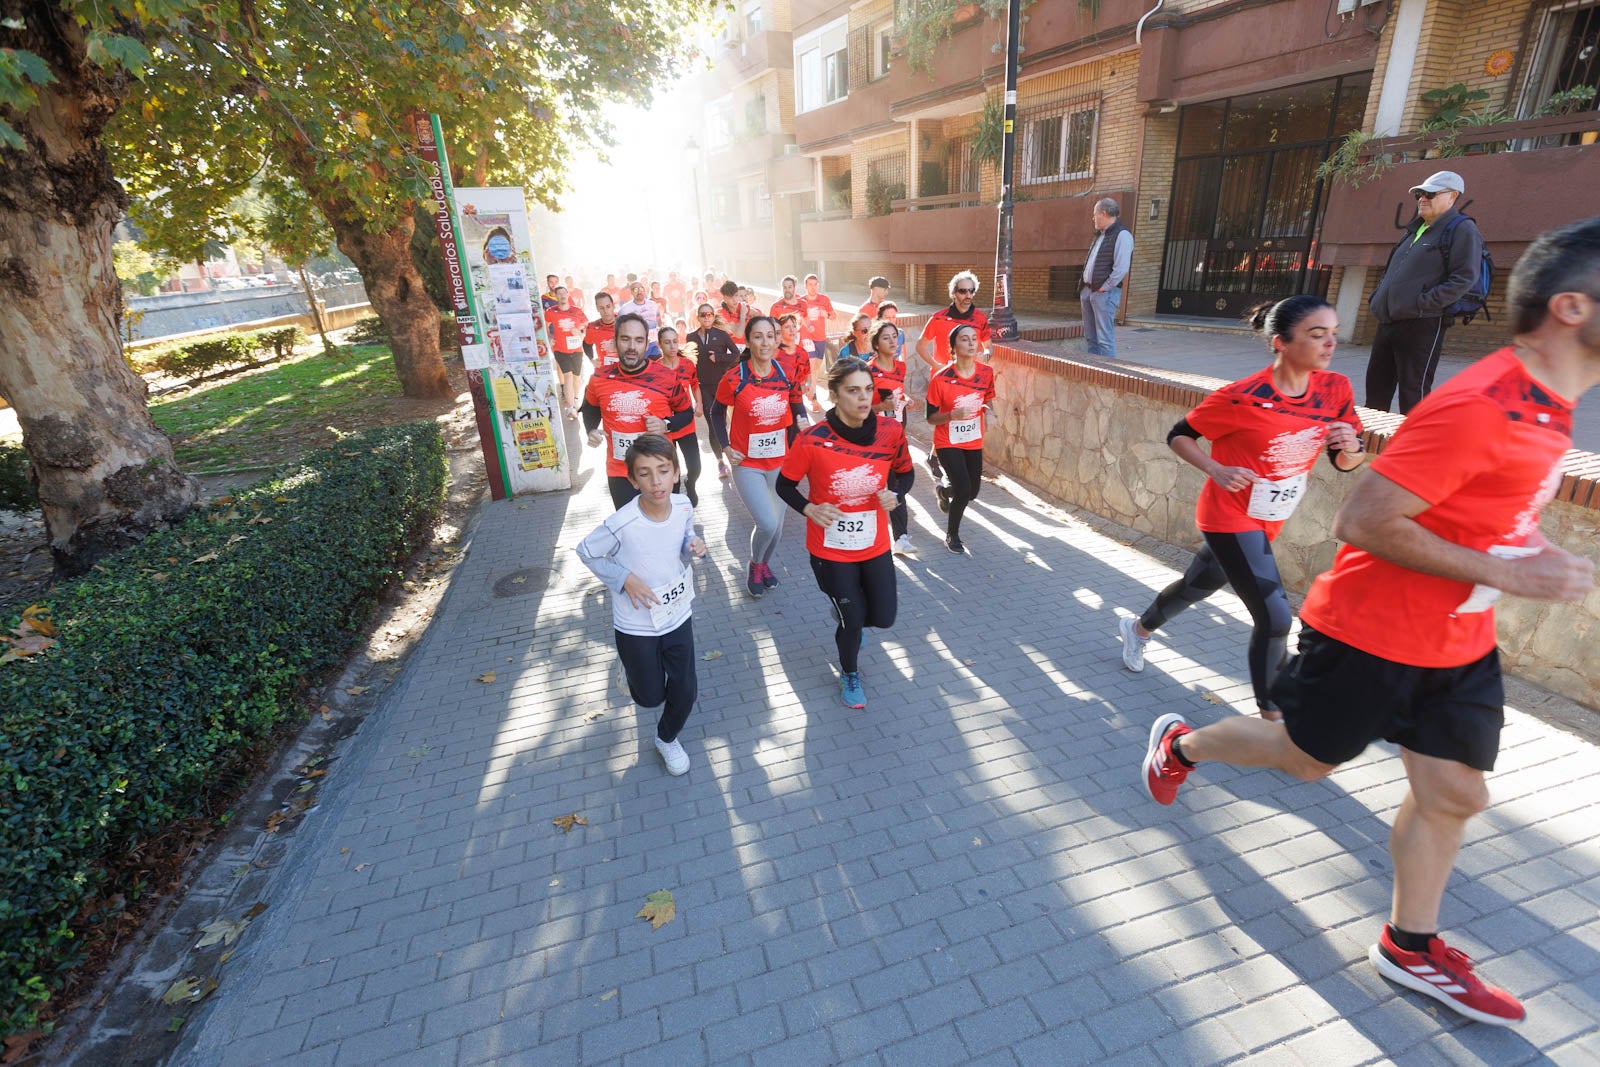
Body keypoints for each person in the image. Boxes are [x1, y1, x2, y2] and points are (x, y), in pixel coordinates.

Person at [1141, 217, 1600, 1028]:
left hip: (1459, 638)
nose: (1328, 344)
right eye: (1313, 333)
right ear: (1570, 305)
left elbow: (1471, 506)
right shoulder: (1482, 403)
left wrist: (1528, 549)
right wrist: (1511, 570)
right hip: (1370, 630)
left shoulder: (1552, 408)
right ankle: (1180, 745)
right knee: (1304, 760)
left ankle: (1409, 945)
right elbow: (1366, 518)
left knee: (1455, 791)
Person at [1117, 296, 1367, 719]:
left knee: (1197, 585)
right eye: (1316, 334)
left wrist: (1352, 447)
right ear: (1280, 343)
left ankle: (1136, 629)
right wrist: (1215, 468)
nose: (1330, 343)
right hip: (1227, 514)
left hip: (1270, 516)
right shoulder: (1242, 396)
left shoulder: (1335, 389)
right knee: (1274, 617)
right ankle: (1275, 718)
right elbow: (1180, 435)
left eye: (1333, 333)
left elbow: (1346, 462)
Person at [778, 358, 914, 709]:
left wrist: (896, 494)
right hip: (830, 549)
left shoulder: (890, 432)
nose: (863, 398)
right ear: (835, 395)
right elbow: (784, 485)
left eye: (868, 389)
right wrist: (809, 508)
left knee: (884, 617)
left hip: (873, 543)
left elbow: (906, 473)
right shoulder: (811, 440)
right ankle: (849, 672)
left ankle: (846, 617)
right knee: (852, 620)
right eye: (853, 391)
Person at [576, 433, 707, 776]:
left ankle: (667, 738)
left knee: (685, 688)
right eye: (645, 473)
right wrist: (623, 578)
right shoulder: (623, 523)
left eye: (663, 471)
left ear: (676, 473)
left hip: (677, 613)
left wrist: (692, 544)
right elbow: (586, 552)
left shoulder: (682, 505)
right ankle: (630, 668)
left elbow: (683, 537)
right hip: (636, 624)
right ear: (632, 480)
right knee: (649, 697)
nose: (656, 481)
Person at [1366, 170, 1486, 414]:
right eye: (1420, 194)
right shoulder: (1414, 230)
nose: (1422, 198)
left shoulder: (1461, 229)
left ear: (1452, 196)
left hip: (1422, 323)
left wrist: (1422, 303)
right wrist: (1378, 298)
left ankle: (1414, 449)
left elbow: (1464, 277)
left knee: (1414, 395)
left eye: (1431, 194)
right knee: (1376, 393)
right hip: (1388, 320)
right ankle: (1370, 448)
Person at [711, 316, 806, 598]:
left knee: (776, 528)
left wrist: (803, 424)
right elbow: (716, 412)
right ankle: (754, 564)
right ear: (748, 341)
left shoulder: (787, 372)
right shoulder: (735, 377)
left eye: (770, 336)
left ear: (777, 339)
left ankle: (764, 565)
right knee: (766, 522)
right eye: (758, 336)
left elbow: (797, 408)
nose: (765, 342)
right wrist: (726, 446)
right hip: (747, 464)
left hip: (781, 462)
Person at [582, 314, 694, 509]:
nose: (632, 347)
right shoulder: (599, 378)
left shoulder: (666, 377)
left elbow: (686, 413)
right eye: (625, 339)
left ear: (646, 344)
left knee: (664, 530)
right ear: (615, 341)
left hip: (660, 470)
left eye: (639, 340)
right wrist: (590, 430)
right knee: (632, 532)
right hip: (621, 471)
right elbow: (590, 408)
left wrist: (665, 425)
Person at [925, 323, 996, 554]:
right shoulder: (941, 378)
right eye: (965, 339)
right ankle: (952, 535)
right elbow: (931, 418)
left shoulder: (986, 373)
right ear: (953, 346)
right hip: (948, 441)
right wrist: (951, 415)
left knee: (972, 492)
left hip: (973, 439)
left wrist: (990, 410)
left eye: (974, 338)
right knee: (964, 489)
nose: (972, 343)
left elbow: (988, 397)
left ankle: (944, 492)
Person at [916, 272, 991, 491]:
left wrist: (985, 353)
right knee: (945, 422)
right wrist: (938, 366)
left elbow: (988, 345)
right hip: (943, 381)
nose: (967, 295)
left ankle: (939, 462)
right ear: (953, 293)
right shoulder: (939, 317)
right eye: (962, 291)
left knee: (959, 425)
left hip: (969, 380)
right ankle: (952, 476)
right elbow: (920, 346)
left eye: (971, 291)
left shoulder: (980, 318)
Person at [867, 320, 914, 555]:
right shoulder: (867, 371)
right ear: (876, 343)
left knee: (896, 485)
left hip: (895, 434)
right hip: (872, 438)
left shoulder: (901, 367)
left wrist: (904, 399)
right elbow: (860, 407)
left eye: (894, 336)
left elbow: (897, 393)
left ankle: (901, 537)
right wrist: (879, 406)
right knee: (872, 488)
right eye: (886, 337)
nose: (892, 341)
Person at [686, 302, 741, 479]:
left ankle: (730, 450)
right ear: (698, 318)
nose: (707, 317)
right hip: (703, 387)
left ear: (713, 316)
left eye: (709, 314)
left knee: (723, 422)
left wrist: (719, 357)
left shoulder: (722, 335)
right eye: (703, 315)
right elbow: (689, 365)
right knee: (712, 424)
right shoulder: (691, 337)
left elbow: (736, 355)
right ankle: (720, 462)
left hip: (721, 386)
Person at [1080, 197, 1133, 359]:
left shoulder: (1122, 235)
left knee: (1104, 340)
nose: (1093, 218)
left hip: (1104, 293)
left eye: (1094, 214)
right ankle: (1094, 370)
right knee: (1091, 338)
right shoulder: (1100, 235)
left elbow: (1121, 268)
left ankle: (1109, 373)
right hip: (1088, 291)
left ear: (1103, 213)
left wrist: (1104, 287)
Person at [655, 326, 703, 506]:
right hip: (666, 426)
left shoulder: (687, 365)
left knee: (695, 467)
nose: (672, 346)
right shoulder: (655, 368)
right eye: (667, 342)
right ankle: (674, 503)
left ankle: (690, 483)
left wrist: (699, 404)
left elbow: (695, 384)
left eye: (675, 341)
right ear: (660, 345)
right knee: (670, 469)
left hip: (686, 423)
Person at [545, 285, 588, 418]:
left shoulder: (577, 311)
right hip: (560, 349)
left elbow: (586, 326)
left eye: (565, 293)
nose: (563, 296)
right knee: (568, 376)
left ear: (568, 294)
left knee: (576, 378)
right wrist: (549, 338)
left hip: (576, 349)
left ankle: (574, 399)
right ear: (556, 296)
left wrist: (580, 334)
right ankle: (570, 408)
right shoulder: (551, 311)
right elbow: (545, 325)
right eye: (560, 294)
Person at [774, 313, 814, 425]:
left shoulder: (802, 352)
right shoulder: (775, 354)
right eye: (787, 327)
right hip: (778, 402)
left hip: (797, 400)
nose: (792, 330)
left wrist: (809, 385)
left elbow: (807, 374)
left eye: (794, 326)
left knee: (803, 431)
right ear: (779, 331)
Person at [801, 273, 836, 400]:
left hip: (820, 338)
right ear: (805, 286)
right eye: (810, 284)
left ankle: (809, 388)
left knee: (815, 368)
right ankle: (813, 394)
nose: (813, 287)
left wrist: (824, 314)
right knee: (811, 364)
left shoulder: (824, 299)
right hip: (806, 338)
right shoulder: (801, 300)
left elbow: (834, 316)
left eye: (815, 284)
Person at [619, 280, 663, 353]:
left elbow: (659, 322)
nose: (639, 291)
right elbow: (619, 327)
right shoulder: (625, 308)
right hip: (637, 347)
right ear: (632, 292)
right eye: (635, 289)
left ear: (645, 290)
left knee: (656, 363)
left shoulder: (653, 304)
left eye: (641, 289)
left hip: (653, 345)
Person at [584, 291, 620, 371]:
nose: (606, 311)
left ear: (613, 306)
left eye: (608, 306)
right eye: (602, 308)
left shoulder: (625, 322)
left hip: (624, 370)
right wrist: (592, 360)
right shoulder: (592, 327)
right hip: (604, 371)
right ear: (597, 309)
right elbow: (586, 344)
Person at [714, 280, 749, 345]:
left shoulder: (746, 307)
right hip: (728, 351)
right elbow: (739, 334)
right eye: (730, 297)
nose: (735, 300)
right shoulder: (719, 314)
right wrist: (743, 315)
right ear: (724, 298)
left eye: (736, 295)